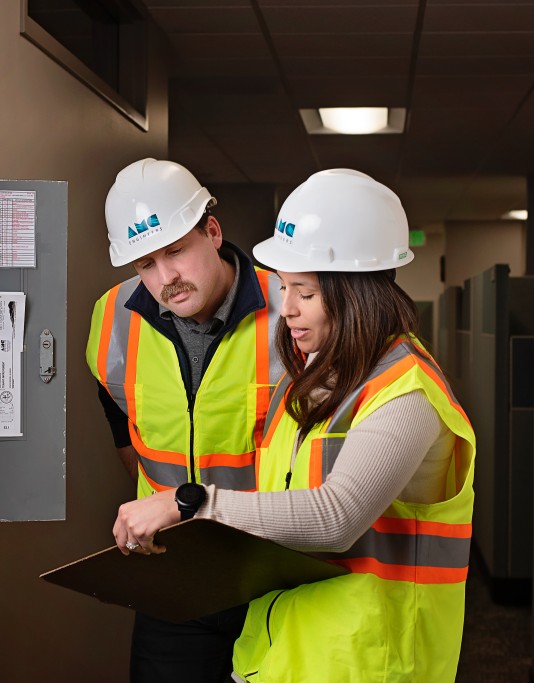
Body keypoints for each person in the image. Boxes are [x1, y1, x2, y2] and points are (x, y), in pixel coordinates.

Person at [112, 168, 477, 682]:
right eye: (285, 289)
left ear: (356, 292)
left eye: (304, 292)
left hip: (369, 664)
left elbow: (337, 517)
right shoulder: (313, 379)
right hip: (283, 653)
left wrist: (188, 503)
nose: (287, 310)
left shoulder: (407, 394)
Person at [85, 158, 283, 682]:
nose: (165, 278)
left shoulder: (292, 310)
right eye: (145, 265)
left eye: (176, 251)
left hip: (274, 571)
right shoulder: (112, 318)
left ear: (212, 232)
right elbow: (119, 420)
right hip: (176, 576)